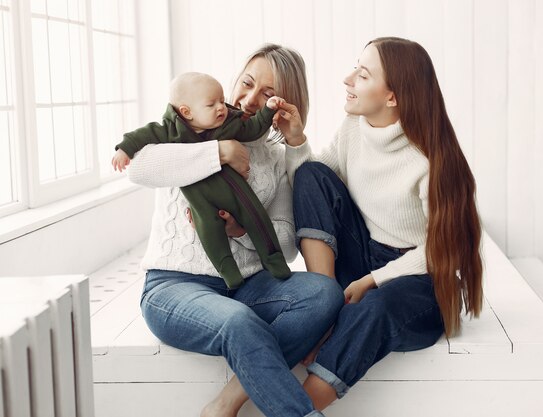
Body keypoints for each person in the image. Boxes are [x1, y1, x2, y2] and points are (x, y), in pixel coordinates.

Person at [129, 44, 343, 417]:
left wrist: (243, 229)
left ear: (281, 104)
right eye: (247, 83)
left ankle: (227, 402)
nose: (248, 99)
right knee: (238, 322)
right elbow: (137, 167)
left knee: (325, 293)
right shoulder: (187, 127)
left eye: (267, 94)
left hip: (247, 288)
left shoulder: (274, 158)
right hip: (173, 287)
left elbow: (288, 243)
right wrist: (221, 152)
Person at [283, 37, 484, 410]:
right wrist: (297, 141)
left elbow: (446, 253)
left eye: (361, 75)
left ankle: (291, 410)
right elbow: (312, 189)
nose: (347, 80)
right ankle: (323, 308)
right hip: (365, 256)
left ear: (391, 97)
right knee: (312, 173)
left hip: (421, 280)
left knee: (372, 309)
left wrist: (373, 280)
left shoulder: (433, 161)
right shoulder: (352, 130)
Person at [112, 71, 290, 288]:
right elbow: (142, 137)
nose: (221, 107)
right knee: (209, 229)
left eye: (221, 100)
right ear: (187, 112)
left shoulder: (230, 124)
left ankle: (274, 262)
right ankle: (229, 272)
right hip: (200, 199)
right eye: (212, 104)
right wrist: (123, 149)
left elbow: (253, 127)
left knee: (256, 217)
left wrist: (269, 109)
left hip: (236, 192)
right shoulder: (171, 131)